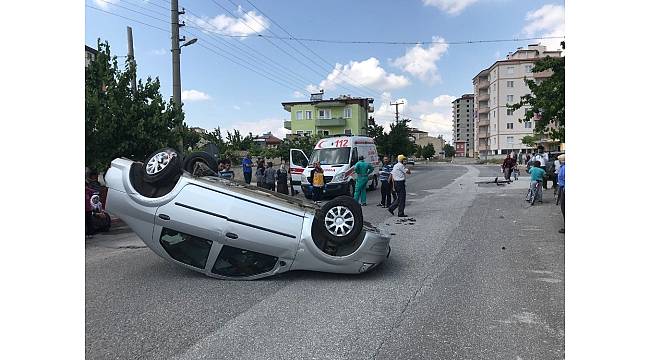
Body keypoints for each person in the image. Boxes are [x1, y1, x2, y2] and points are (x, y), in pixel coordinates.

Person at [557, 154, 565, 233]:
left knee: (564, 207)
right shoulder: (562, 167)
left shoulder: (564, 168)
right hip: (562, 187)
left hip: (564, 188)